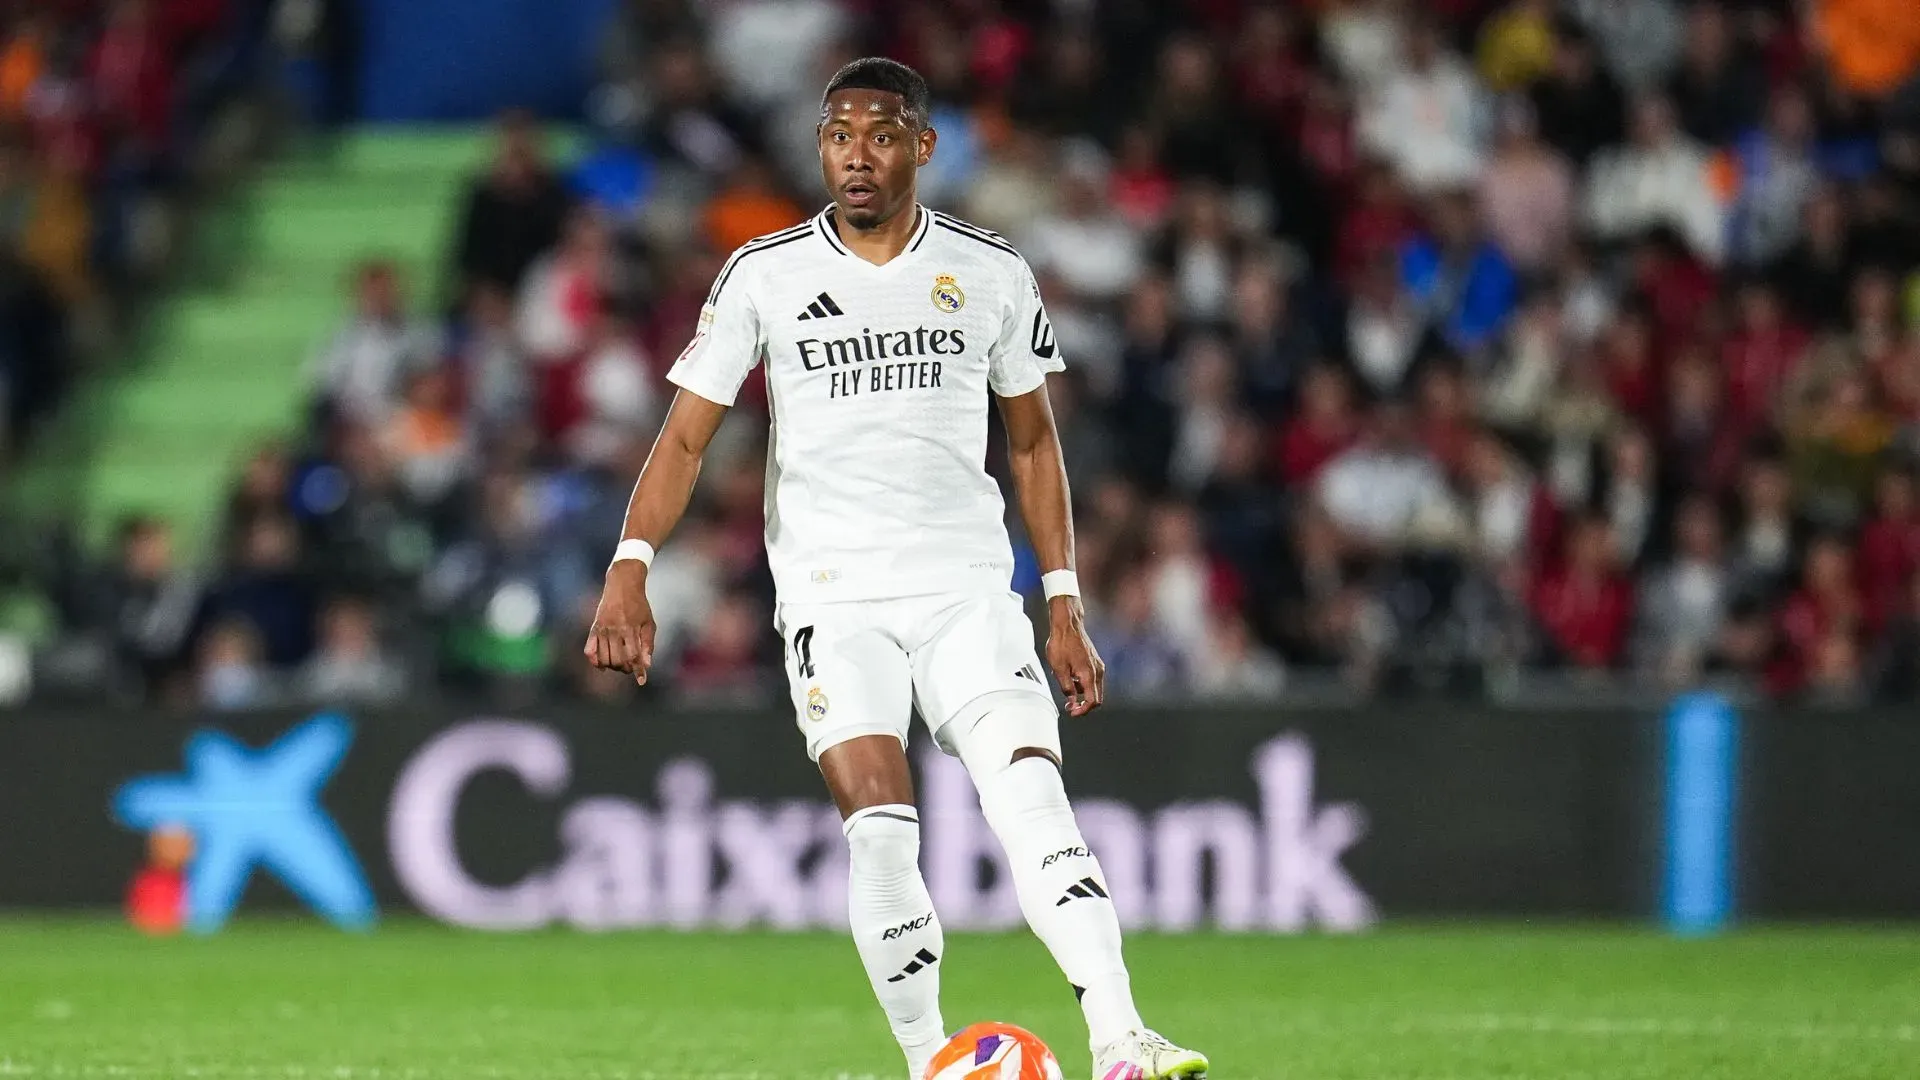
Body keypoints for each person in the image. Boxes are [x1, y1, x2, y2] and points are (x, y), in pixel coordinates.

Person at [584, 58, 1208, 1080]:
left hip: (969, 593)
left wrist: (1063, 602)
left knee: (1033, 803)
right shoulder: (765, 274)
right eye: (838, 136)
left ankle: (1121, 1040)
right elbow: (687, 438)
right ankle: (931, 1062)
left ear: (923, 145)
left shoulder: (991, 270)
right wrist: (630, 565)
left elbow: (1038, 445)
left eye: (880, 135)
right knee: (880, 828)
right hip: (837, 600)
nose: (856, 156)